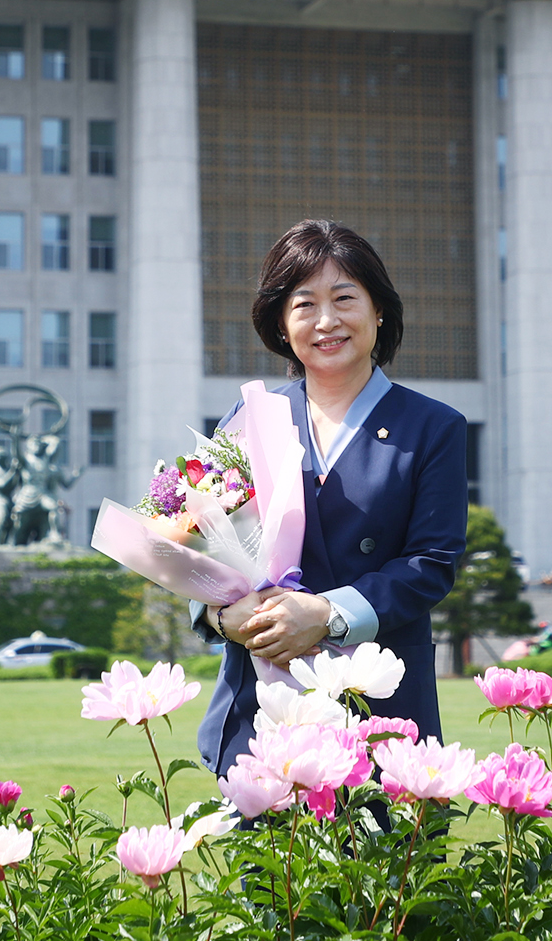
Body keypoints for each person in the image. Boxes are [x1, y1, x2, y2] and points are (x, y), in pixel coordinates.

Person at [194, 219, 469, 776]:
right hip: (264, 704)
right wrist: (225, 615)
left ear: (379, 311)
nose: (326, 321)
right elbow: (204, 554)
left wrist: (324, 613)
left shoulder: (433, 427)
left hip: (381, 706)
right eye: (304, 304)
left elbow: (430, 564)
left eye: (345, 298)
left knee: (381, 859)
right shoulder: (250, 421)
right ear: (280, 322)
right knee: (273, 862)